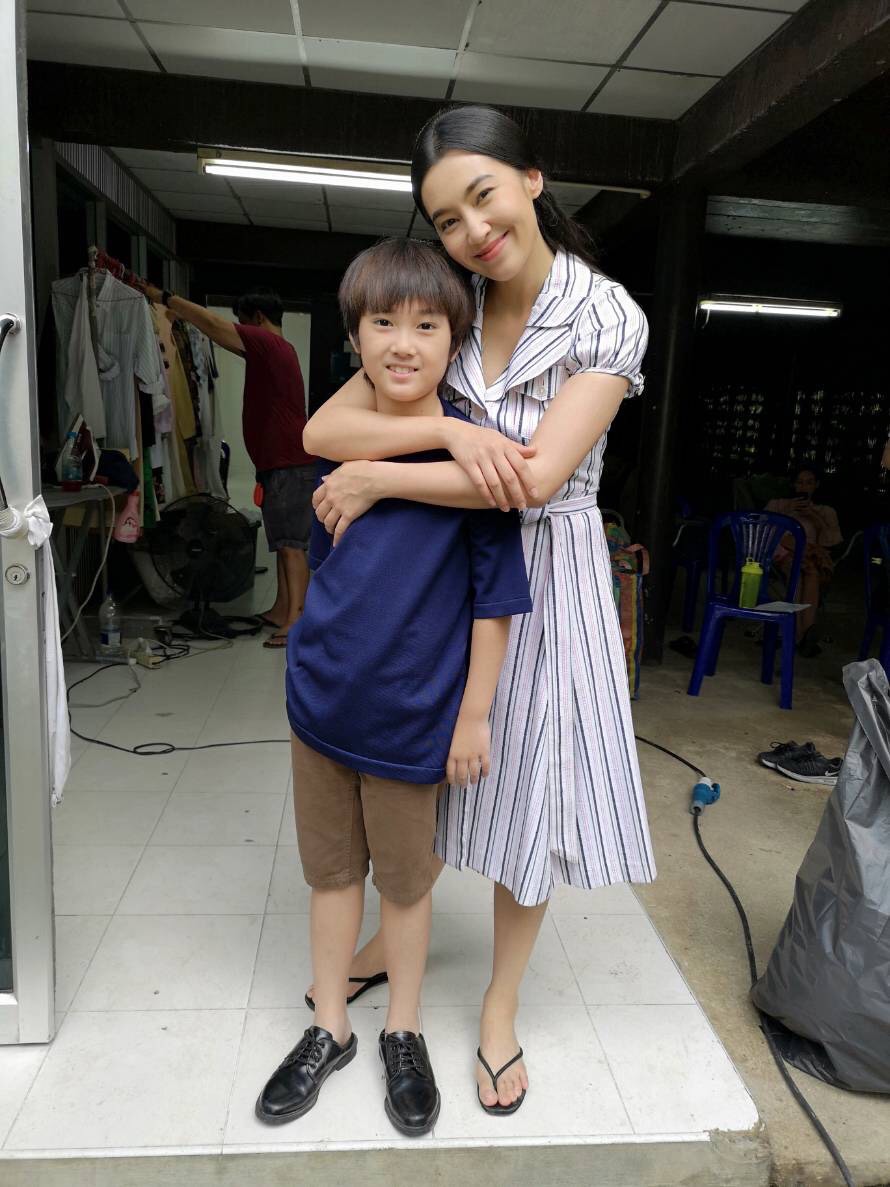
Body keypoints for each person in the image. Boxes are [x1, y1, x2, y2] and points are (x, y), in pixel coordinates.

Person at [302, 104, 656, 1113]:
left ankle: (498, 1004)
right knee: (418, 772)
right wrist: (451, 436)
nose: (471, 230)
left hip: (548, 580)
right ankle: (391, 935)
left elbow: (534, 479)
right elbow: (327, 429)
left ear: (531, 180)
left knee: (528, 789)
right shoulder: (445, 304)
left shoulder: (605, 316)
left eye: (482, 196)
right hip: (433, 575)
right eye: (446, 218)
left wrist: (381, 475)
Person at [255, 238, 532, 1135]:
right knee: (331, 875)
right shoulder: (346, 440)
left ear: (456, 339)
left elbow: (495, 600)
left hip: (414, 719)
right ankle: (330, 1025)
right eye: (382, 323)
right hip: (322, 702)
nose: (403, 344)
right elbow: (329, 559)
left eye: (426, 326)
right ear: (355, 336)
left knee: (407, 888)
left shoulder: (478, 462)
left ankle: (401, 1029)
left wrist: (473, 714)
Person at [137, 282, 315, 648]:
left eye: (243, 324)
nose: (239, 333)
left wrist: (165, 299)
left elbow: (214, 327)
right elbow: (222, 336)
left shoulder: (268, 343)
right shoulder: (277, 350)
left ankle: (297, 621)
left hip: (289, 463)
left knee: (292, 544)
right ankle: (282, 608)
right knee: (282, 542)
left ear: (257, 318)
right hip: (280, 463)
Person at [766, 465, 842, 657]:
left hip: (812, 557)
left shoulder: (825, 511)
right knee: (798, 574)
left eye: (809, 483)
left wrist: (815, 518)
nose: (803, 487)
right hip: (786, 554)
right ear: (793, 484)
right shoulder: (778, 504)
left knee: (810, 572)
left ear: (816, 485)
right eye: (799, 482)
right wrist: (788, 510)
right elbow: (763, 528)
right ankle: (804, 635)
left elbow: (831, 542)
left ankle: (800, 634)